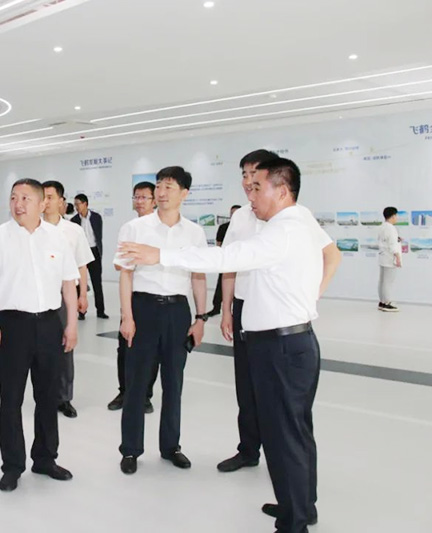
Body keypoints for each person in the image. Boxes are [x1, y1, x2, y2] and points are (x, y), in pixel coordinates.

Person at [120, 157, 338, 533]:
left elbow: (228, 257)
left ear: (282, 191)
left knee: (285, 436)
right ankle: (299, 506)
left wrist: (161, 255)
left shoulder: (283, 230)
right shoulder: (300, 219)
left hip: (281, 347)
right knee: (294, 432)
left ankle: (295, 522)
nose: (250, 195)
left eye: (258, 187)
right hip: (288, 342)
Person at [216, 150, 340, 479]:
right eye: (244, 175)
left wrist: (311, 294)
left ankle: (290, 482)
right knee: (247, 387)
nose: (248, 182)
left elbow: (332, 255)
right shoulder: (242, 217)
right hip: (246, 309)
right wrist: (227, 310)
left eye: (254, 176)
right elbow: (228, 266)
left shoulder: (293, 217)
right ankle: (248, 449)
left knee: (281, 405)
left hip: (277, 318)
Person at [0, 178, 79, 492]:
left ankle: (45, 458)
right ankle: (12, 466)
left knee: (48, 397)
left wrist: (71, 325)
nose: (18, 204)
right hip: (11, 326)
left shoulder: (57, 237)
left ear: (42, 203)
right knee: (11, 399)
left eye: (25, 198)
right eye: (13, 198)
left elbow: (69, 284)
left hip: (49, 324)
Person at [113, 167, 208, 475]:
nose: (162, 192)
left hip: (178, 311)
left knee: (174, 383)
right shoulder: (135, 228)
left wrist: (200, 318)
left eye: (169, 186)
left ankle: (171, 446)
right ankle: (130, 449)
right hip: (143, 308)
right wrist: (127, 316)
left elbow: (198, 276)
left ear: (184, 193)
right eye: (159, 186)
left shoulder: (194, 233)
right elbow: (125, 275)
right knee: (137, 384)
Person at [42, 180, 92, 418]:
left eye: (50, 197)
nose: (45, 201)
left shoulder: (73, 231)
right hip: (39, 295)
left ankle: (64, 397)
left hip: (65, 294)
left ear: (62, 201)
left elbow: (82, 264)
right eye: (42, 197)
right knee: (40, 348)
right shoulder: (31, 229)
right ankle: (44, 394)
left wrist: (83, 294)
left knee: (65, 346)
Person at [107, 181, 158, 413]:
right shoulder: (129, 228)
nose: (139, 201)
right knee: (125, 347)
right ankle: (124, 391)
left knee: (152, 352)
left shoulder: (160, 229)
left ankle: (145, 395)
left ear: (154, 200)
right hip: (132, 297)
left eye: (144, 197)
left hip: (154, 297)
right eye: (136, 197)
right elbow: (120, 265)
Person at [71, 193, 108, 319]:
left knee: (97, 282)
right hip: (80, 253)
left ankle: (100, 311)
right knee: (80, 283)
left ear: (85, 204)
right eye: (75, 205)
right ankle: (81, 312)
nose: (76, 207)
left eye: (78, 204)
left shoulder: (96, 217)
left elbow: (98, 236)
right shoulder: (74, 220)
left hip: (94, 252)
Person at [207, 205, 240, 316]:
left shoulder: (245, 228)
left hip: (240, 263)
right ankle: (216, 308)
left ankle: (235, 310)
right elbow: (219, 244)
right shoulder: (223, 227)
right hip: (226, 261)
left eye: (236, 213)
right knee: (221, 286)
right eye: (232, 213)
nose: (234, 216)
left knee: (238, 287)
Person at [377, 206, 402, 312]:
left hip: (383, 257)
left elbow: (385, 241)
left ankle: (382, 302)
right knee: (388, 282)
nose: (397, 218)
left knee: (382, 281)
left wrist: (397, 239)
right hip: (390, 258)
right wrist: (398, 257)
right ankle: (387, 303)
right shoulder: (391, 228)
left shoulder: (382, 226)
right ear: (393, 216)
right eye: (396, 216)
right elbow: (392, 245)